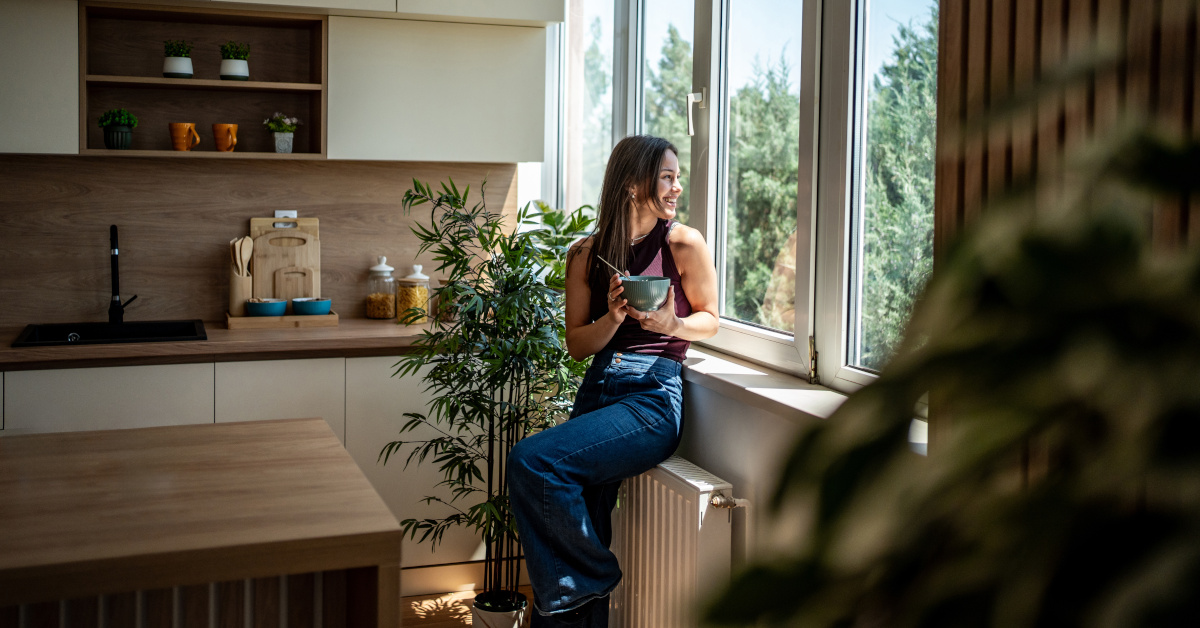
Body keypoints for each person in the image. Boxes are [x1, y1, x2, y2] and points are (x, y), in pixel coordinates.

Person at [507, 134, 719, 627]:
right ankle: (586, 591)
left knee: (532, 463)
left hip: (650, 397)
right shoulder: (584, 255)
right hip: (600, 386)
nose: (676, 187)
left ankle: (597, 576)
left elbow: (711, 318)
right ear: (631, 185)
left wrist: (673, 326)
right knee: (584, 523)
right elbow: (578, 345)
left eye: (676, 176)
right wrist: (613, 316)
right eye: (666, 177)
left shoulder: (683, 243)